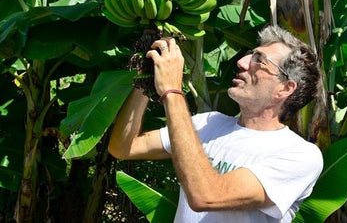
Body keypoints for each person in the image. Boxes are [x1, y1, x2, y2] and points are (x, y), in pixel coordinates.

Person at [108, 25, 324, 222]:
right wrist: (146, 78)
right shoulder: (208, 123)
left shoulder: (299, 156)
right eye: (250, 54)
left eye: (259, 59)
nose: (242, 62)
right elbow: (123, 147)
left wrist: (172, 91)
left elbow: (207, 196)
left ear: (285, 88)